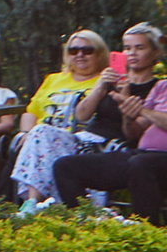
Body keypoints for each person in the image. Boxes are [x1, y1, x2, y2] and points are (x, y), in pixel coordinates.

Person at [54, 26, 167, 222]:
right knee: (65, 166)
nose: (132, 53)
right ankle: (87, 224)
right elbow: (133, 133)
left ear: (155, 53)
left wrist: (138, 109)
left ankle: (148, 233)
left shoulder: (155, 84)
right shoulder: (161, 87)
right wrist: (127, 112)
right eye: (127, 48)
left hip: (151, 159)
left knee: (139, 164)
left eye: (139, 48)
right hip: (140, 153)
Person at [12, 30, 113, 205]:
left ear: (100, 54)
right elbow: (31, 112)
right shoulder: (53, 79)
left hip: (79, 141)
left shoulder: (105, 80)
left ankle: (32, 203)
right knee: (36, 135)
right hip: (40, 140)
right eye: (74, 51)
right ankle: (36, 204)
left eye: (87, 50)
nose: (80, 55)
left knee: (42, 132)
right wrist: (26, 133)